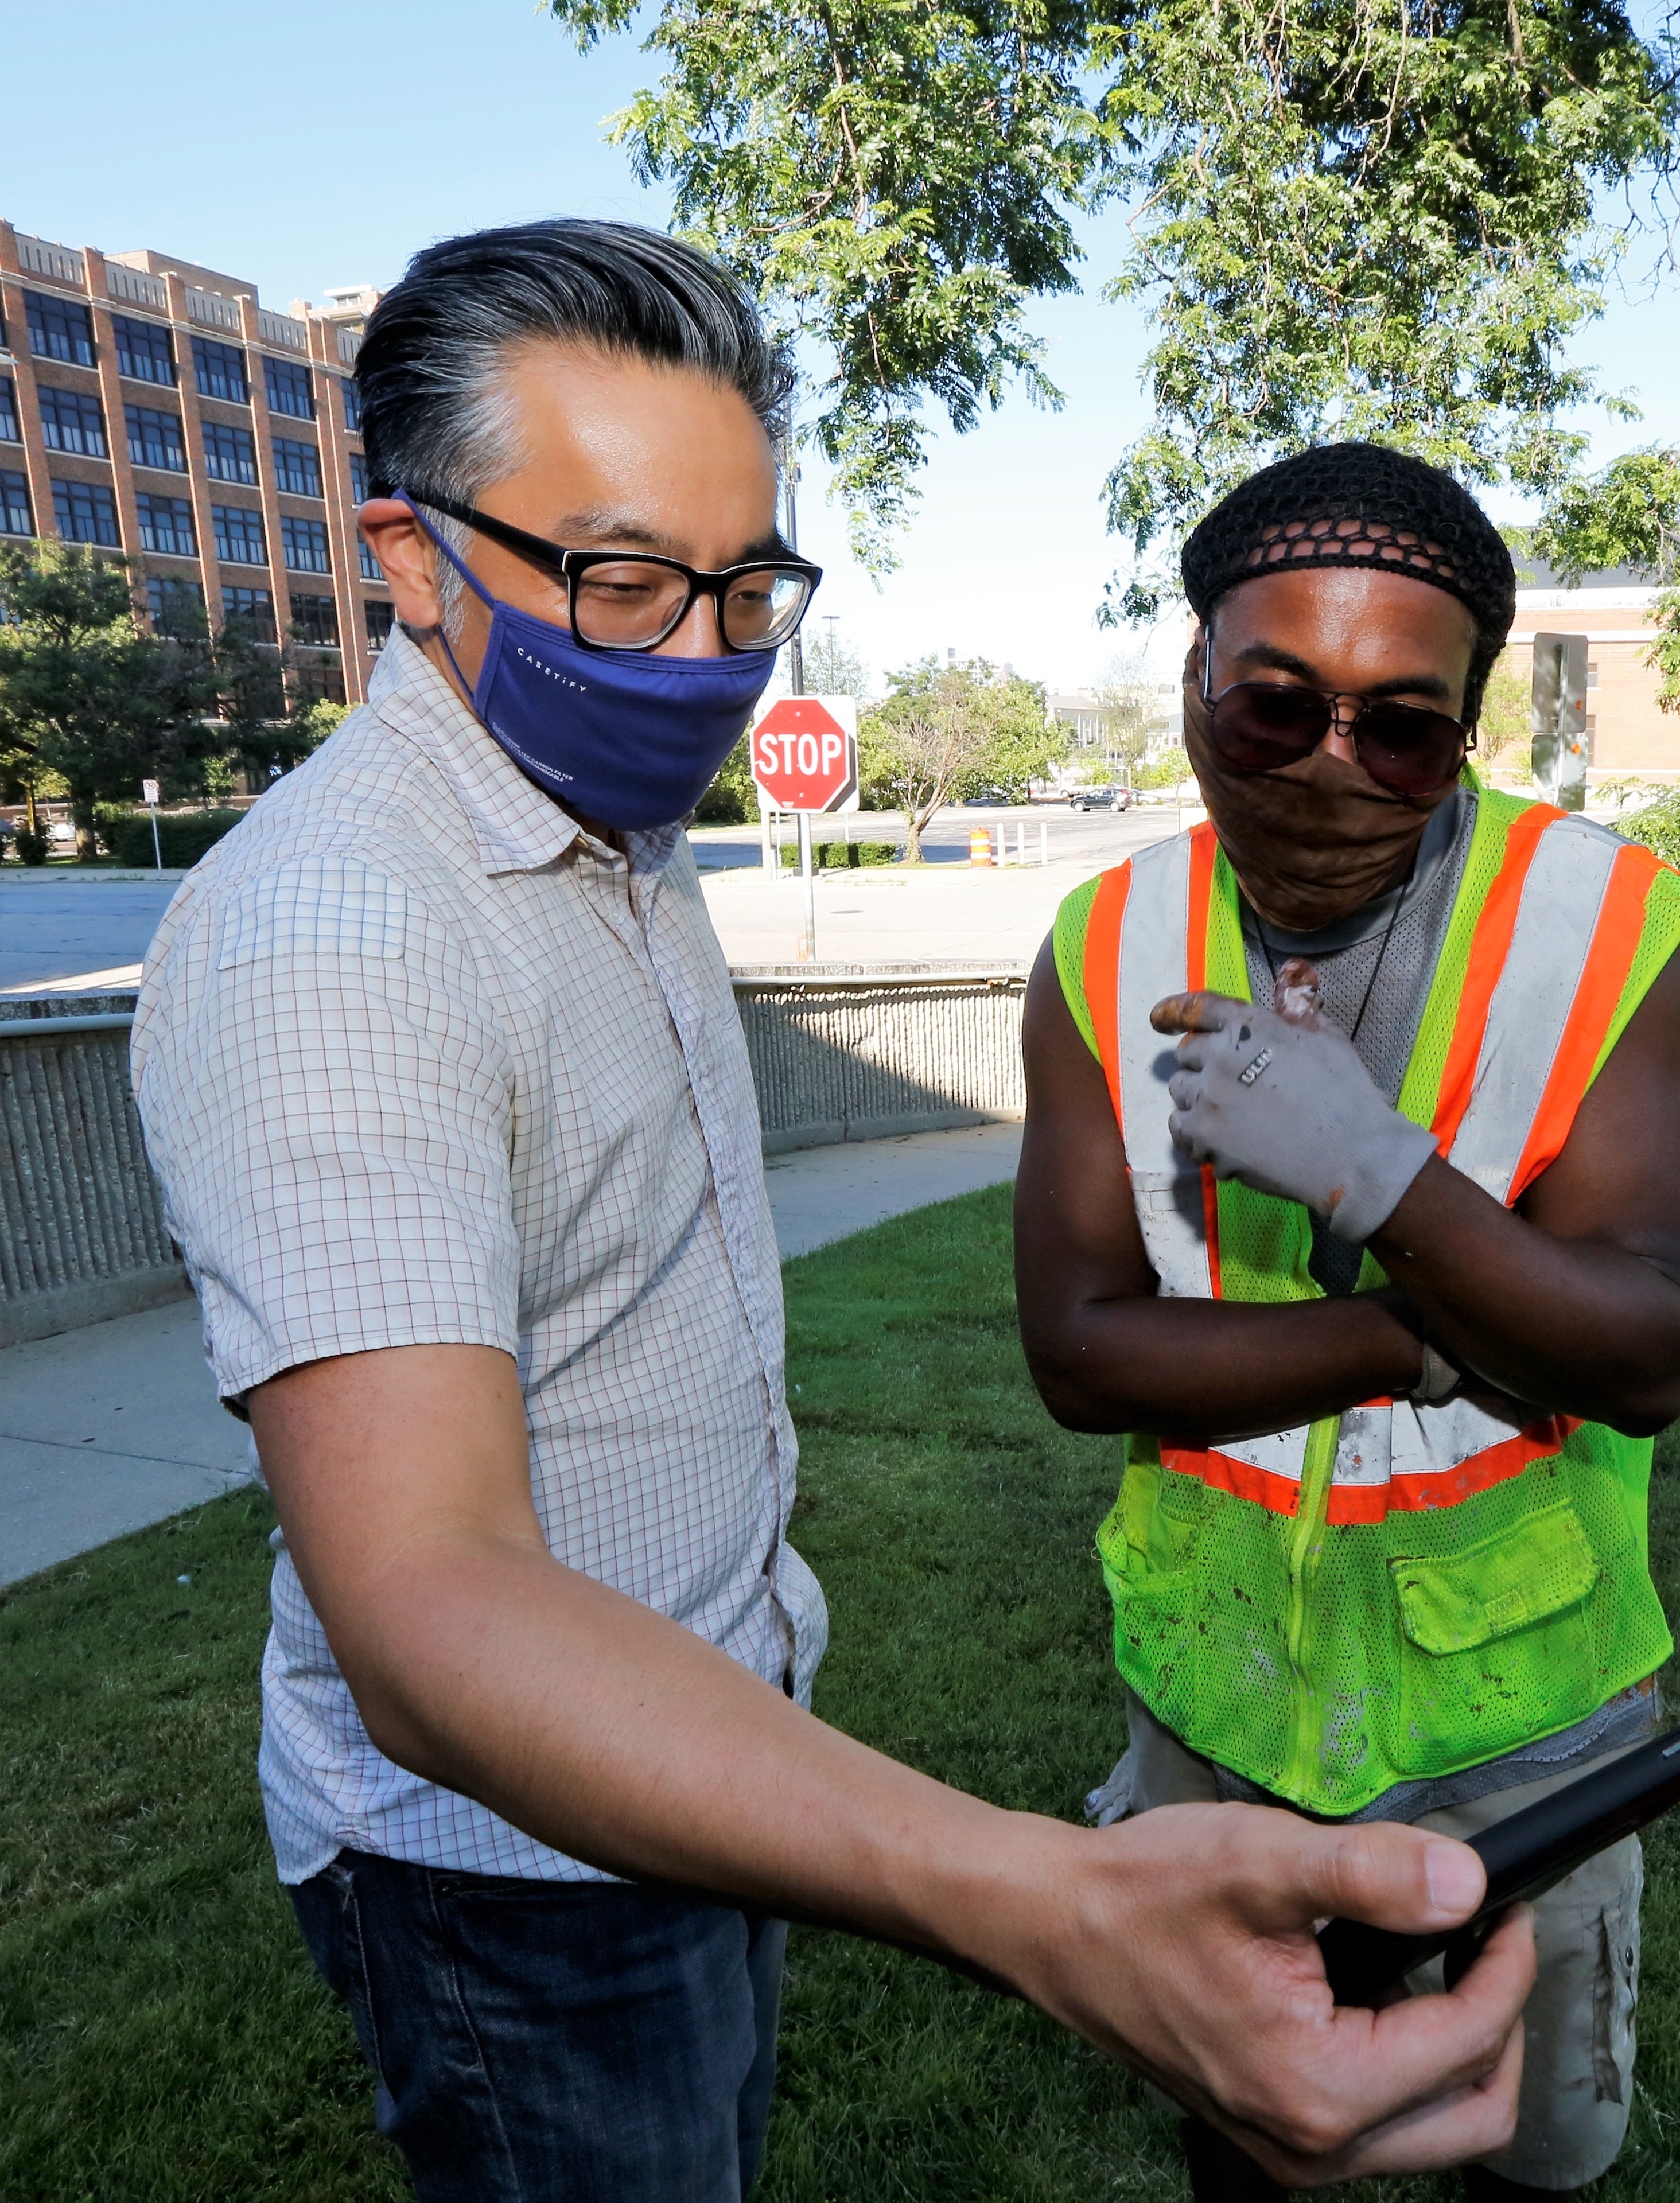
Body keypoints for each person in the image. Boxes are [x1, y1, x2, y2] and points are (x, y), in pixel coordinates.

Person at [129, 231, 1536, 2201]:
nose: (706, 655)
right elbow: (428, 1613)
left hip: (705, 1771)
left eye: (749, 585)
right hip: (514, 1870)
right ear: (406, 554)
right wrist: (1035, 1900)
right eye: (621, 580)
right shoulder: (341, 932)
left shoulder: (605, 822)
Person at [1016, 444, 1680, 2201]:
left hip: (1522, 1722)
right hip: (1220, 1694)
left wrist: (1382, 1178)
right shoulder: (1103, 941)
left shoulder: (1597, 921)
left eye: (1400, 727)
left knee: (1533, 2143)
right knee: (1256, 2134)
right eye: (1274, 706)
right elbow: (1080, 1352)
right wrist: (1417, 1338)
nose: (1336, 763)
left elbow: (1639, 1358)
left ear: (1467, 732)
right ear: (1192, 686)